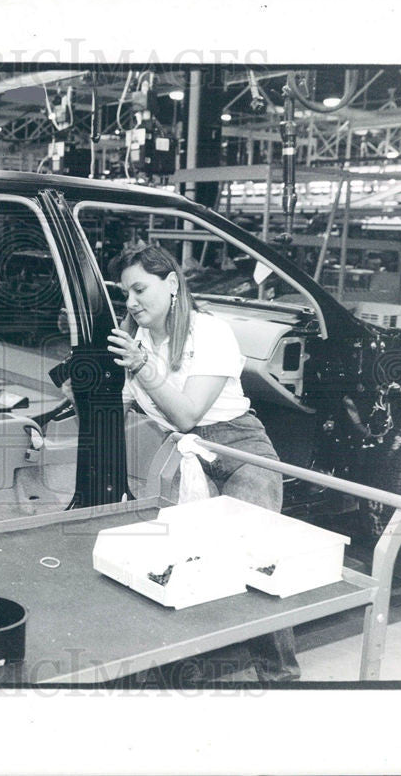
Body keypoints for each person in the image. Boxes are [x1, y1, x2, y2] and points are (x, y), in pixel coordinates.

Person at [106, 242, 300, 683]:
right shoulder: (135, 338)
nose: (131, 303)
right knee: (180, 563)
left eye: (140, 290)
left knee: (256, 561)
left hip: (236, 449)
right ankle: (183, 673)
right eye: (126, 295)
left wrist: (143, 368)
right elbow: (124, 403)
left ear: (172, 283)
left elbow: (188, 413)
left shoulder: (208, 332)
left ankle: (281, 678)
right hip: (177, 451)